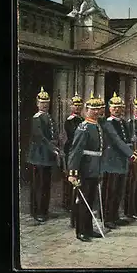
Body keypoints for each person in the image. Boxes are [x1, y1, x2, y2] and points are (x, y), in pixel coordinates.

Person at [67, 92, 137, 242]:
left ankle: (88, 228)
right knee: (83, 200)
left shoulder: (98, 125)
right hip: (85, 168)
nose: (96, 111)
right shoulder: (84, 127)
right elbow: (75, 151)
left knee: (91, 199)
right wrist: (73, 172)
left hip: (96, 167)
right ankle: (81, 231)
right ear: (87, 110)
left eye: (98, 109)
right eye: (93, 109)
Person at [101, 92, 136, 228]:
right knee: (110, 190)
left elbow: (126, 139)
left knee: (118, 190)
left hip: (121, 160)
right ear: (109, 109)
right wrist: (130, 153)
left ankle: (115, 216)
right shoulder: (108, 123)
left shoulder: (123, 122)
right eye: (114, 107)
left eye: (119, 107)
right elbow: (116, 140)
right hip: (111, 160)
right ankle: (107, 218)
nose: (117, 109)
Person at [27, 87, 60, 223]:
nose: (45, 105)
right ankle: (37, 212)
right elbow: (40, 137)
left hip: (47, 155)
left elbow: (54, 134)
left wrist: (56, 144)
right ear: (37, 103)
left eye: (47, 102)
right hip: (38, 155)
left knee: (46, 184)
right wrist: (53, 148)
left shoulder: (49, 117)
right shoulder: (37, 118)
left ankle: (44, 210)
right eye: (42, 103)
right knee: (38, 184)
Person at [63, 92, 84, 227]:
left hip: (81, 152)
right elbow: (73, 135)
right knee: (71, 178)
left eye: (79, 105)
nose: (77, 107)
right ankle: (68, 203)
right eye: (75, 105)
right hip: (71, 151)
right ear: (71, 107)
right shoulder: (70, 121)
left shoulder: (82, 120)